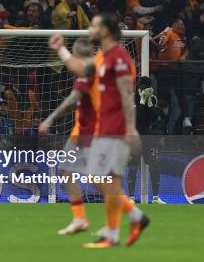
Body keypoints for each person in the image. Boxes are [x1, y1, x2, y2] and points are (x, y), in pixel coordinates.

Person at [48, 13, 149, 248]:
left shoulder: (120, 59)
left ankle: (120, 228)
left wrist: (131, 129)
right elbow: (80, 69)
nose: (89, 28)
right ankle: (128, 223)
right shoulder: (102, 58)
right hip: (102, 130)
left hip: (115, 129)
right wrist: (61, 49)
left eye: (93, 25)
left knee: (101, 179)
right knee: (102, 179)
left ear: (105, 30)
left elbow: (126, 95)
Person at [39, 38, 96, 235]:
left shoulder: (90, 72)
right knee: (65, 170)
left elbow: (71, 100)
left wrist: (50, 119)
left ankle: (132, 213)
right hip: (81, 131)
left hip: (94, 131)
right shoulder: (89, 71)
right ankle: (80, 218)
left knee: (96, 178)